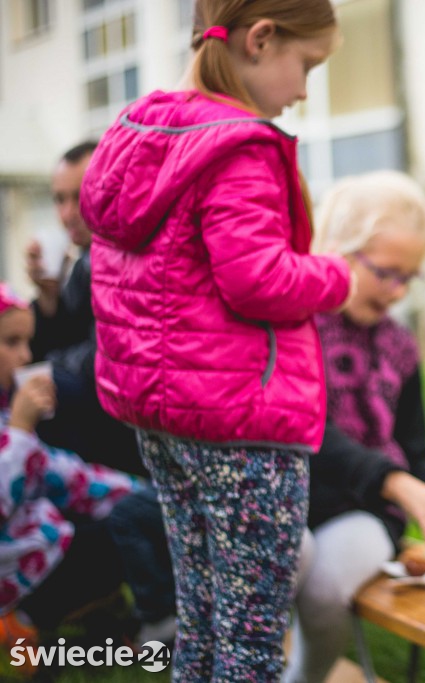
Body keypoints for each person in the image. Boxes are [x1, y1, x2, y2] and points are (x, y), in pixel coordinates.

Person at [77, 1, 353, 679]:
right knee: (253, 641)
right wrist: (338, 274)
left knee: (202, 618)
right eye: (307, 65)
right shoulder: (240, 145)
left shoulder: (140, 129)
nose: (304, 90)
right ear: (261, 40)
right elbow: (257, 279)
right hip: (241, 429)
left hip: (166, 420)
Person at [284, 171, 425, 683]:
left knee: (326, 591)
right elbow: (306, 430)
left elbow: (413, 448)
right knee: (285, 570)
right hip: (289, 497)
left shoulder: (400, 345)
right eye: (385, 273)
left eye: (410, 277)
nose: (397, 291)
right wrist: (394, 480)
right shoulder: (294, 326)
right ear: (337, 251)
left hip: (363, 512)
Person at [0, 283, 139, 659]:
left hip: (36, 546)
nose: (25, 355)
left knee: (129, 519)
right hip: (19, 565)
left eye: (27, 342)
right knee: (119, 543)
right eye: (11, 343)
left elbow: (60, 474)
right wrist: (19, 431)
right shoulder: (12, 422)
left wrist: (141, 496)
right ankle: (21, 621)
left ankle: (98, 625)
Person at [24, 141, 146, 478]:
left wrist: (39, 372)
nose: (66, 213)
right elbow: (67, 336)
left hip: (126, 450)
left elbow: (106, 361)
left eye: (78, 197)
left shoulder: (130, 258)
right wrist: (49, 299)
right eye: (59, 199)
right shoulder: (83, 264)